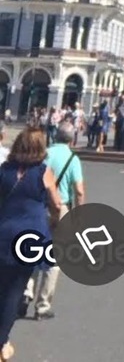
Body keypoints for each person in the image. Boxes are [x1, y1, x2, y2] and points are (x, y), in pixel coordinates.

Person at [0, 129, 64, 360]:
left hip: (3, 233)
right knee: (13, 292)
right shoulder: (43, 172)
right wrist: (55, 222)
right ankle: (1, 342)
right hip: (29, 239)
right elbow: (56, 204)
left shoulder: (4, 171)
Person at [27, 120, 85, 321]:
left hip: (39, 207)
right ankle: (42, 305)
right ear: (72, 138)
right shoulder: (73, 159)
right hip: (61, 209)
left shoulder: (45, 154)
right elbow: (78, 190)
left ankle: (26, 292)